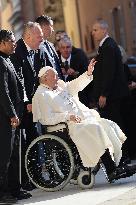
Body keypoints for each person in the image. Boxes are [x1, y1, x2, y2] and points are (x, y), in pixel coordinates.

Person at [32, 61, 136, 183]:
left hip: (82, 120)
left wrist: (88, 73)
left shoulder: (59, 86)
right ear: (45, 78)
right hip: (66, 126)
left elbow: (75, 85)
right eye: (54, 75)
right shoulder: (41, 94)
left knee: (108, 124)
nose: (58, 77)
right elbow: (46, 119)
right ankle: (111, 170)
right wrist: (67, 116)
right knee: (95, 129)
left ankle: (118, 164)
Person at [10, 21, 43, 190]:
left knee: (34, 140)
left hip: (34, 106)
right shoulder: (17, 52)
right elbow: (18, 82)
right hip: (22, 108)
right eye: (39, 36)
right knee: (24, 145)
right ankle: (25, 180)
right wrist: (26, 103)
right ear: (28, 36)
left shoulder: (36, 51)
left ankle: (35, 178)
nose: (42, 39)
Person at [92, 19, 130, 164]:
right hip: (114, 94)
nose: (93, 32)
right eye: (93, 30)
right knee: (116, 124)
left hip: (112, 95)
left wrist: (103, 94)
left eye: (96, 30)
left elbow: (109, 72)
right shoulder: (107, 45)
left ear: (104, 31)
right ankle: (123, 155)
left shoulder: (108, 46)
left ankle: (123, 156)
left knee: (116, 125)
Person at [0, 30, 32, 204]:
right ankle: (3, 192)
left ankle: (15, 189)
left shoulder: (8, 59)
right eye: (12, 41)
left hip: (16, 116)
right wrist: (12, 114)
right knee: (5, 156)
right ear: (2, 43)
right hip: (6, 118)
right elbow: (3, 92)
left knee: (15, 155)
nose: (15, 44)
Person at [58, 36, 92, 107]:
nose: (65, 50)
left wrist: (75, 73)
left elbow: (88, 75)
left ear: (71, 48)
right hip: (61, 97)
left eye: (68, 47)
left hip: (79, 96)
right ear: (59, 49)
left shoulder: (80, 56)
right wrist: (60, 73)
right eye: (63, 48)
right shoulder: (55, 59)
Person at [35, 15, 64, 80]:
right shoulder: (35, 48)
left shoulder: (51, 45)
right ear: (43, 27)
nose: (53, 30)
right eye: (51, 26)